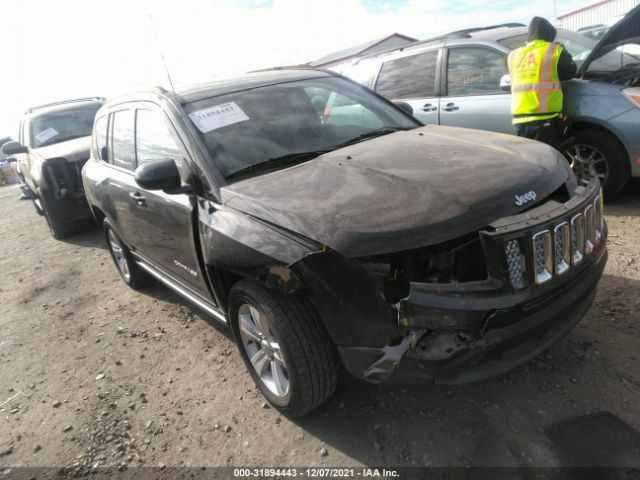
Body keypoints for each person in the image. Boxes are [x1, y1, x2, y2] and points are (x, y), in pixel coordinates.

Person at [508, 17, 577, 149]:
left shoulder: (513, 55)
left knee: (530, 161)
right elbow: (570, 72)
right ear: (550, 36)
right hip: (545, 120)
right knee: (548, 163)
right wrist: (563, 50)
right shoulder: (553, 50)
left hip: (520, 121)